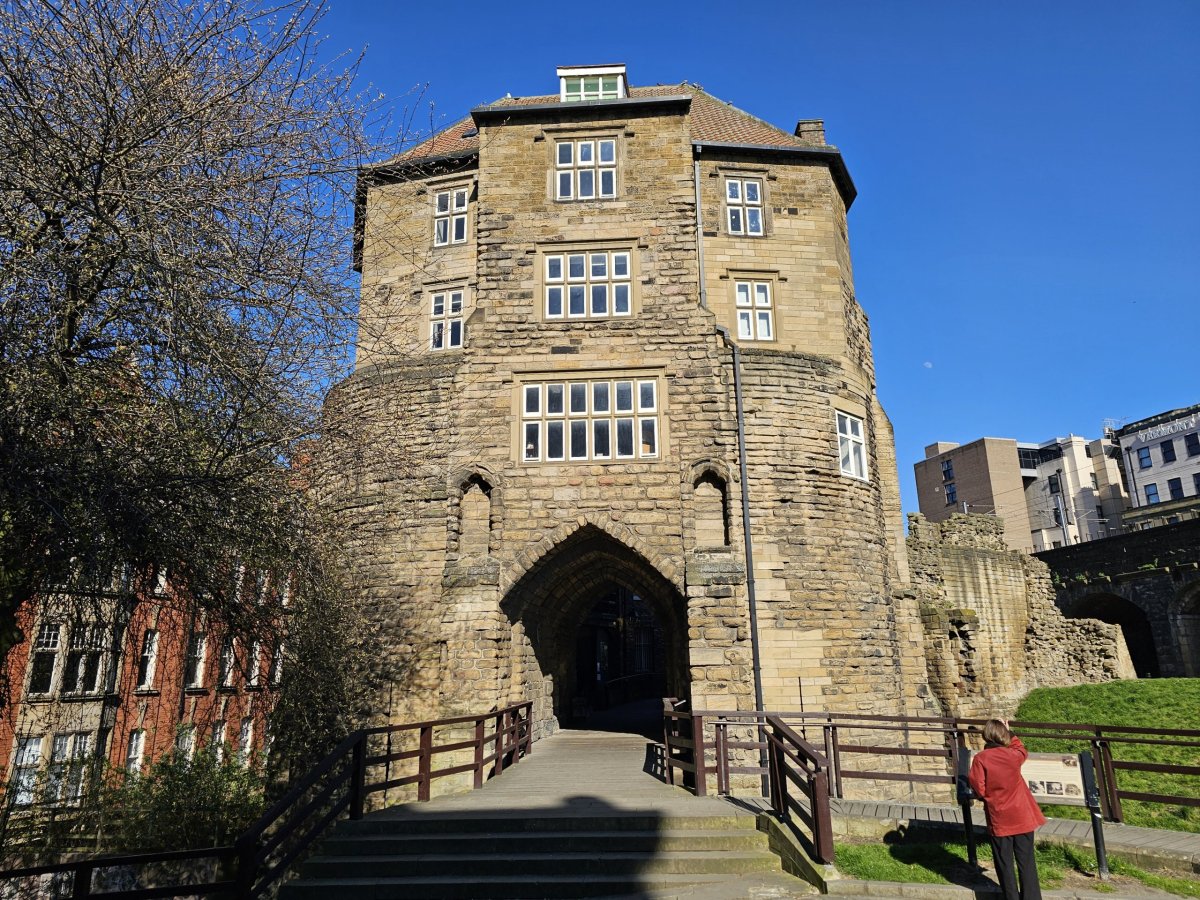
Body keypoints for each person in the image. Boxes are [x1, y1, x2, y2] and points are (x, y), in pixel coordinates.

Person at [968, 718, 1046, 900]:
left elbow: (979, 788)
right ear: (1003, 736)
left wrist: (987, 795)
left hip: (1000, 818)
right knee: (1026, 862)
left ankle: (1011, 897)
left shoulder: (980, 759)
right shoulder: (1013, 756)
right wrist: (1010, 733)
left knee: (1004, 864)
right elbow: (1022, 750)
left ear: (986, 736)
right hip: (1022, 816)